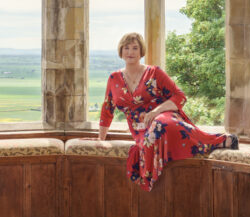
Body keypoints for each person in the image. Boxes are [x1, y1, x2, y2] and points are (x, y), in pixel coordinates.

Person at [98, 31, 237, 191]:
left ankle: (218, 141)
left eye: (135, 48)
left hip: (163, 115)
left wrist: (156, 111)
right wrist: (101, 139)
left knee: (160, 124)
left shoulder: (154, 72)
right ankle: (220, 142)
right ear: (121, 51)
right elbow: (107, 109)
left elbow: (180, 97)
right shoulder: (113, 79)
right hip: (140, 129)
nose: (130, 52)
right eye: (127, 48)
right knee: (151, 136)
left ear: (141, 51)